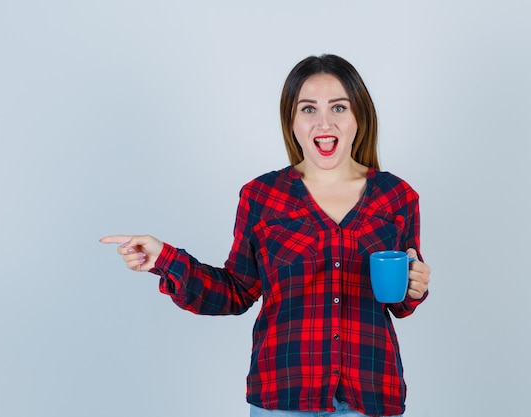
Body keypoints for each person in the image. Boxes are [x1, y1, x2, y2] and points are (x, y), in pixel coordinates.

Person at [101, 54, 431, 417]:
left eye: (339, 107)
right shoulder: (261, 196)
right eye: (308, 109)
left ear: (359, 118)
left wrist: (415, 287)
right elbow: (235, 291)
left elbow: (400, 302)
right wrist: (165, 258)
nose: (324, 121)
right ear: (291, 120)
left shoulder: (397, 196)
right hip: (283, 398)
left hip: (370, 397)